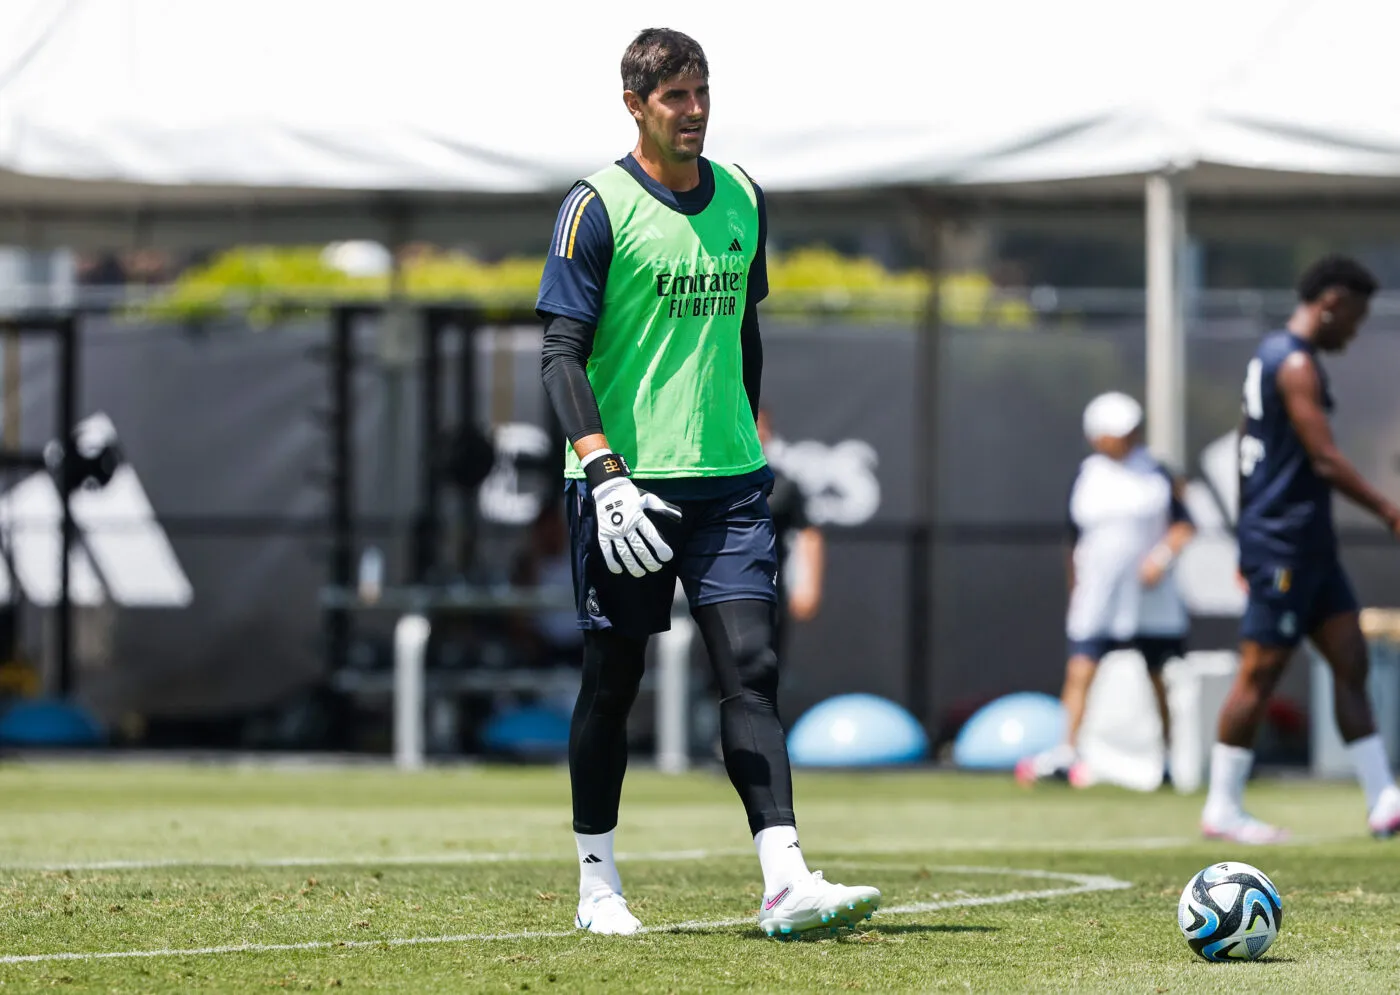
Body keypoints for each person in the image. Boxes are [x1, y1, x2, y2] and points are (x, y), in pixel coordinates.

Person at [535, 27, 879, 938]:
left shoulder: (744, 198)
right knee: (615, 680)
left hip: (728, 485)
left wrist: (748, 436)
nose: (693, 112)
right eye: (674, 98)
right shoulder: (593, 206)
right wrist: (602, 469)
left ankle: (784, 876)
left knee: (753, 670)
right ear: (635, 106)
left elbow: (743, 332)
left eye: (701, 93)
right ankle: (598, 882)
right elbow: (559, 355)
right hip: (627, 488)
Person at [1202, 255, 1400, 844]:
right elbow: (1323, 458)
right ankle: (1222, 809)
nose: (1355, 332)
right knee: (1259, 674)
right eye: (1355, 319)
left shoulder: (1280, 358)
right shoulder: (1292, 363)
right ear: (1331, 303)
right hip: (1283, 546)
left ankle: (1382, 799)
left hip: (1307, 544)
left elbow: (1247, 451)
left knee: (1350, 661)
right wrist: (1389, 509)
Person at [1016, 392, 1195, 789]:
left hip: (1150, 599)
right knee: (1081, 670)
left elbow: (1184, 525)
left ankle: (1168, 759)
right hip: (1099, 598)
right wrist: (1076, 590)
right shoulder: (1088, 476)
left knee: (1157, 675)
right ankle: (1067, 753)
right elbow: (1074, 541)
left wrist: (1159, 559)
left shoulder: (1159, 472)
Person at [756, 409, 825, 656]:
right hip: (713, 592)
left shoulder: (784, 485)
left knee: (763, 669)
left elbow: (808, 534)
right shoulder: (710, 480)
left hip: (769, 594)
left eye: (760, 426)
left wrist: (808, 586)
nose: (755, 432)